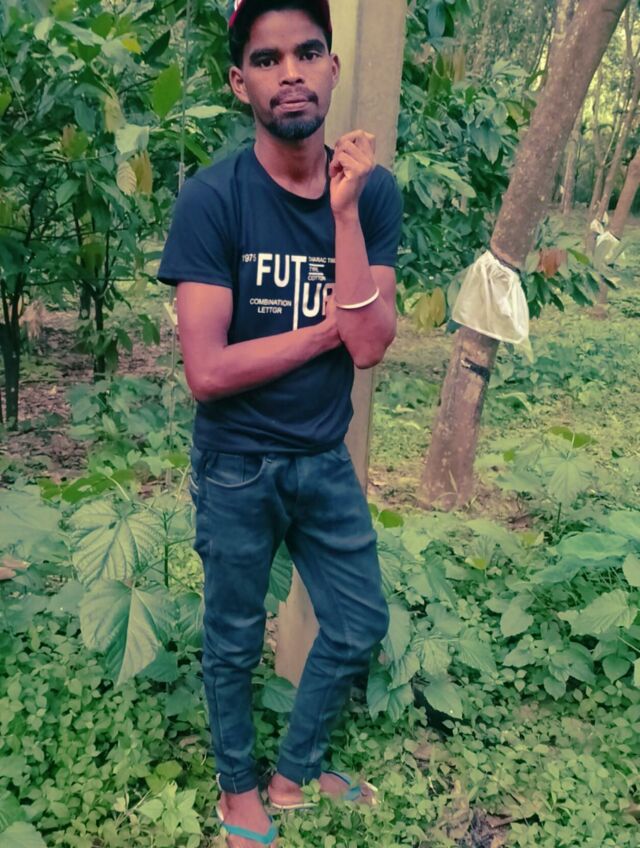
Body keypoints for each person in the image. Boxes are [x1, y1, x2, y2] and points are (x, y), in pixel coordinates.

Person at [158, 1, 403, 844]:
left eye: (306, 52)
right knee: (232, 638)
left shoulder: (371, 194)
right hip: (237, 464)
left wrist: (344, 214)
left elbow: (370, 347)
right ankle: (238, 792)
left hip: (322, 457)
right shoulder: (213, 198)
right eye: (267, 59)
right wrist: (327, 328)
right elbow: (208, 372)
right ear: (240, 83)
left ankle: (295, 774)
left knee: (360, 620)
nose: (289, 72)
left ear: (332, 67)